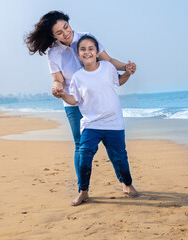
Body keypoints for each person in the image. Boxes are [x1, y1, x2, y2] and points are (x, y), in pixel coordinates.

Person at [25, 11, 136, 196]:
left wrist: (126, 67)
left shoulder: (87, 39)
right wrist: (56, 87)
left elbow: (108, 61)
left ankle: (125, 183)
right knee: (81, 145)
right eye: (59, 32)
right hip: (73, 102)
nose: (65, 33)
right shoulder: (54, 53)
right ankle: (82, 190)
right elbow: (58, 79)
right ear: (53, 36)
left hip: (97, 99)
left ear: (69, 24)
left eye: (66, 27)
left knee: (111, 144)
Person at [57, 35, 137, 206]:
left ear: (96, 51)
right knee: (84, 155)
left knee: (120, 157)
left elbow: (119, 81)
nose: (87, 52)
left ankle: (127, 184)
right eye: (83, 49)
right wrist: (63, 94)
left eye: (91, 48)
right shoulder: (78, 77)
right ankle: (83, 191)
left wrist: (128, 73)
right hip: (91, 124)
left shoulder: (108, 67)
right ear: (78, 54)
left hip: (113, 122)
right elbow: (75, 101)